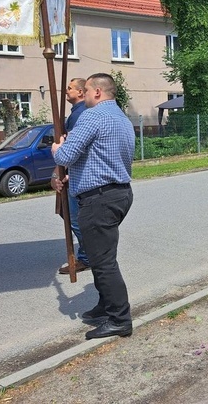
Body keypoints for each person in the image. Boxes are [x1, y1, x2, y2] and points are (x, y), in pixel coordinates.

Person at [52, 73, 135, 340]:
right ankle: (106, 306)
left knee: (104, 262)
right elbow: (100, 158)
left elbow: (66, 155)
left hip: (99, 200)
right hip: (118, 194)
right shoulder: (122, 118)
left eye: (86, 90)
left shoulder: (92, 116)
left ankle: (120, 319)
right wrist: (71, 176)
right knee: (102, 257)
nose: (83, 95)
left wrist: (57, 148)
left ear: (97, 92)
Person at [56, 78, 90, 275]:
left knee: (75, 217)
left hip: (76, 174)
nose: (66, 91)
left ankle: (87, 256)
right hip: (71, 172)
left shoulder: (81, 114)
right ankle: (89, 253)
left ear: (80, 92)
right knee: (67, 213)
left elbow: (72, 148)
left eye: (69, 88)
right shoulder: (75, 113)